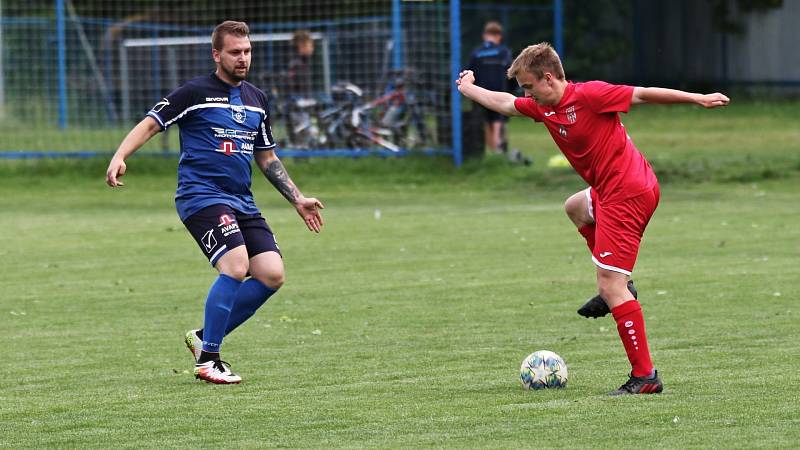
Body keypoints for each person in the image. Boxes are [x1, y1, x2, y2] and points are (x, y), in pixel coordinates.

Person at [456, 42, 729, 395]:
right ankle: (620, 283)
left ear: (549, 78)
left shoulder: (591, 95)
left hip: (626, 193)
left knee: (609, 287)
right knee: (575, 207)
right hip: (612, 189)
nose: (525, 94)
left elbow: (643, 95)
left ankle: (645, 377)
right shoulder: (546, 108)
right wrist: (469, 88)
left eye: (528, 86)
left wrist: (698, 98)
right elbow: (506, 104)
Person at [105, 21, 325, 384]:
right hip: (201, 196)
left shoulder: (257, 99)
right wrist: (120, 155)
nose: (243, 58)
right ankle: (209, 359)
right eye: (235, 52)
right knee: (236, 265)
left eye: (247, 51)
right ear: (217, 54)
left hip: (242, 200)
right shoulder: (194, 92)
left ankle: (204, 337)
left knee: (271, 274)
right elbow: (150, 123)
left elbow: (267, 157)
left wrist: (297, 199)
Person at [465, 21, 513, 154]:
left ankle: (491, 150)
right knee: (498, 120)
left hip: (480, 93)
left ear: (485, 35)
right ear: (498, 36)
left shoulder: (476, 53)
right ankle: (498, 149)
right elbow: (511, 72)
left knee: (485, 121)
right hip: (499, 91)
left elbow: (469, 72)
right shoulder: (504, 52)